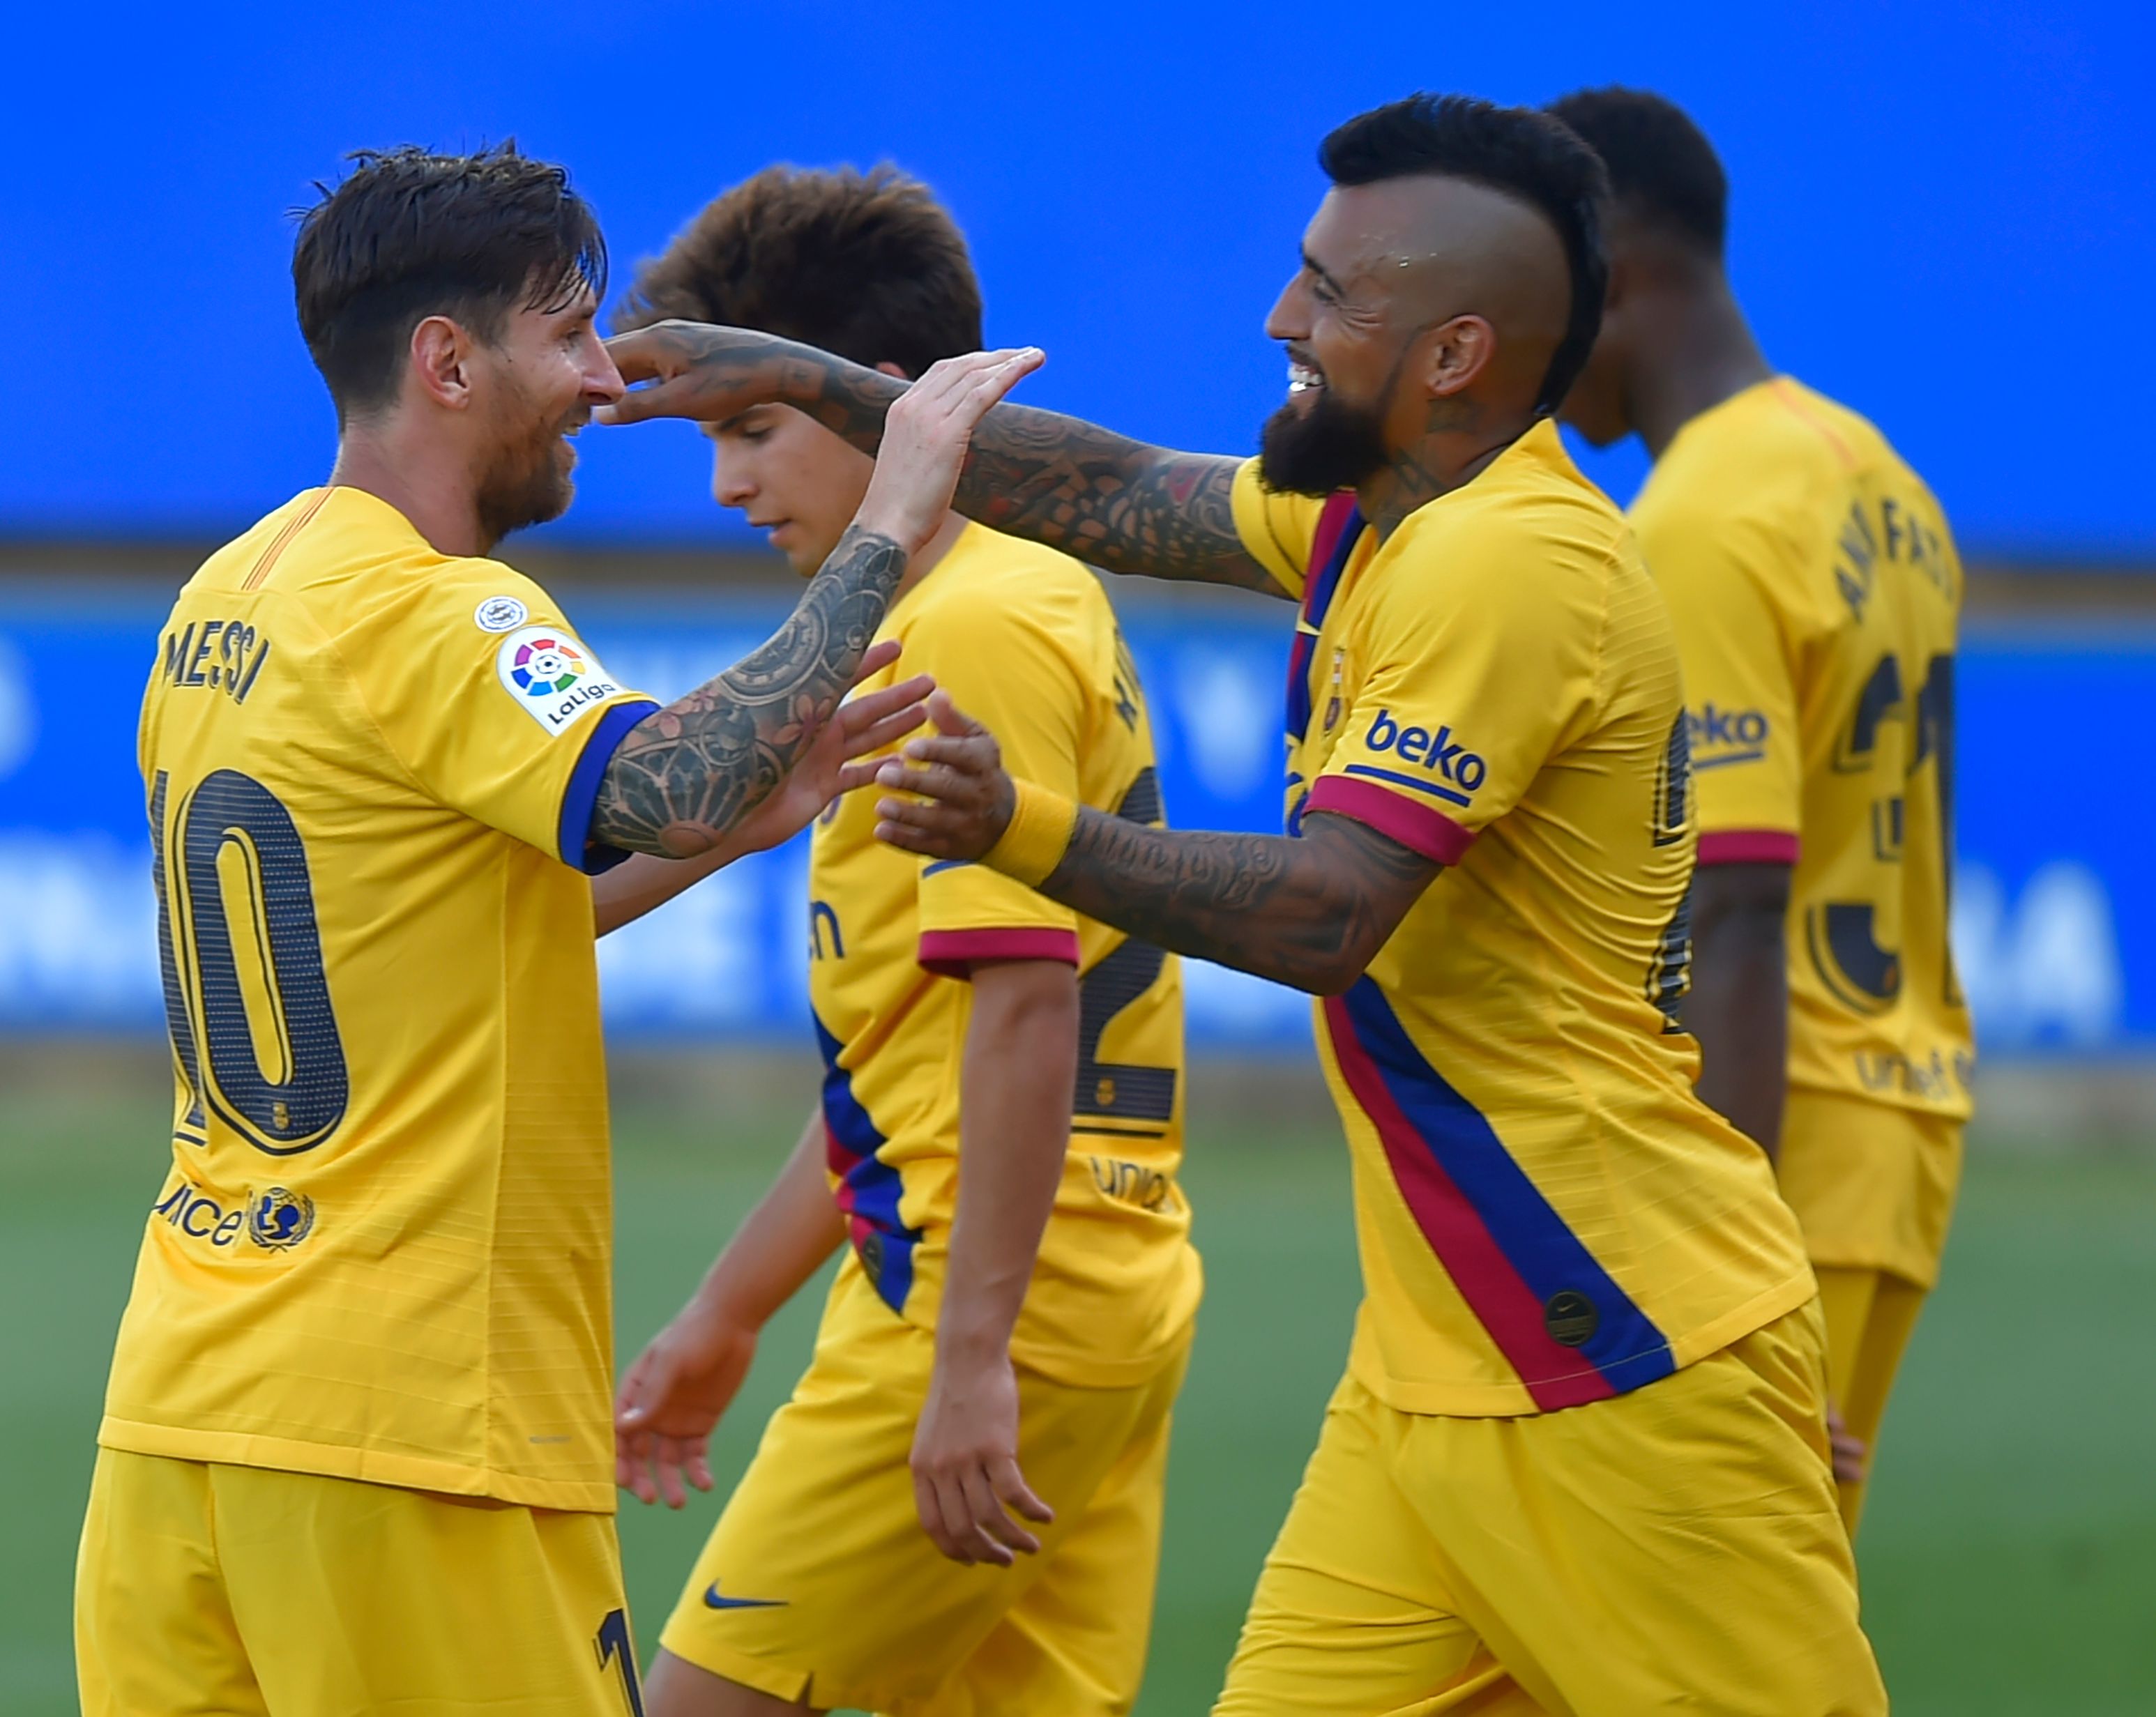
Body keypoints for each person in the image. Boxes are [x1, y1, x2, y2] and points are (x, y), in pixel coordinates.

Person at [605, 93, 1886, 1714]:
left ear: (1453, 355)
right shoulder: (1372, 515)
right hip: (1437, 1361)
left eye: (1335, 293)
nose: (1284, 315)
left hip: (1614, 1347)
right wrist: (819, 383)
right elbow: (1116, 484)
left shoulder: (1513, 565)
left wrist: (1023, 825)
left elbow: (1329, 911)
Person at [71, 142, 1039, 1717]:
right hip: (413, 1427)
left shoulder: (233, 593)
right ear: (449, 361)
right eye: (570, 331)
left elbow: (459, 902)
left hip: (185, 1410)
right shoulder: (446, 609)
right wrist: (893, 517)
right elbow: (657, 778)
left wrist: (756, 812)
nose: (603, 378)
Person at [606, 163, 1197, 1717]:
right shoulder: (1010, 597)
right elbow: (917, 1061)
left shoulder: (965, 625)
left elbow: (1022, 1014)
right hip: (1093, 1282)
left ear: (882, 407)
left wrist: (969, 1358)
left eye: (749, 427)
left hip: (993, 1302)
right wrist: (729, 1310)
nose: (728, 486)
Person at [1548, 86, 1972, 1533]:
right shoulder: (1878, 480)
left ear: (1619, 276)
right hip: (1887, 1120)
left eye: (1552, 298)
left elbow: (1733, 900)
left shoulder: (1703, 521)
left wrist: (1720, 1258)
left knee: (1730, 1640)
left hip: (1789, 1138)